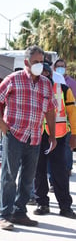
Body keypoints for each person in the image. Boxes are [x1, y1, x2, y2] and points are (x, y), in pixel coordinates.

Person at [0, 45, 57, 230]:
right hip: (14, 135)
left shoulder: (45, 83)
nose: (39, 65)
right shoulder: (14, 79)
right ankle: (5, 214)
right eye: (35, 62)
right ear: (26, 62)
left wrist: (51, 134)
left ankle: (20, 212)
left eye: (41, 62)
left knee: (28, 178)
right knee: (9, 176)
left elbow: (50, 110)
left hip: (34, 137)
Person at [33, 62, 76, 219]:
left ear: (51, 74)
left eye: (46, 72)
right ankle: (42, 204)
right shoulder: (32, 89)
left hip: (58, 136)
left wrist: (74, 135)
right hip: (38, 136)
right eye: (41, 73)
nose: (44, 75)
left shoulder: (63, 90)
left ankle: (65, 207)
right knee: (39, 171)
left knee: (60, 173)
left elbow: (72, 113)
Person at [53, 58, 75, 176]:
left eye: (62, 66)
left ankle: (68, 168)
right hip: (53, 120)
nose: (60, 68)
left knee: (67, 146)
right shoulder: (52, 79)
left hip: (66, 118)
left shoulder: (71, 82)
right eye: (58, 66)